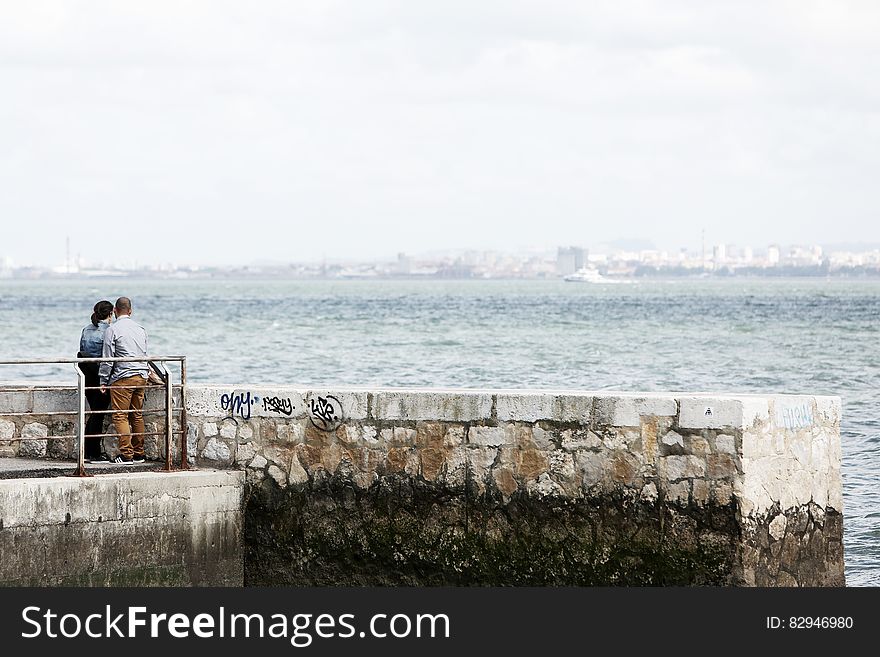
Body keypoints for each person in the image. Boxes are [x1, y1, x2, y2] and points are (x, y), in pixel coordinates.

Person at [99, 297, 149, 464]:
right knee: (137, 415)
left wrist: (103, 380)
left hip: (123, 377)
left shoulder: (112, 330)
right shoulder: (140, 329)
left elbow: (108, 359)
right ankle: (139, 453)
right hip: (141, 376)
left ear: (114, 310)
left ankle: (127, 455)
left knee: (120, 416)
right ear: (130, 311)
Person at [78, 300, 114, 461]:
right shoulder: (109, 331)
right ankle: (92, 453)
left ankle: (88, 451)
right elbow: (109, 357)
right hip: (101, 377)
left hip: (87, 376)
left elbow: (82, 352)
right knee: (97, 415)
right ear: (111, 314)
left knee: (95, 413)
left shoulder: (86, 330)